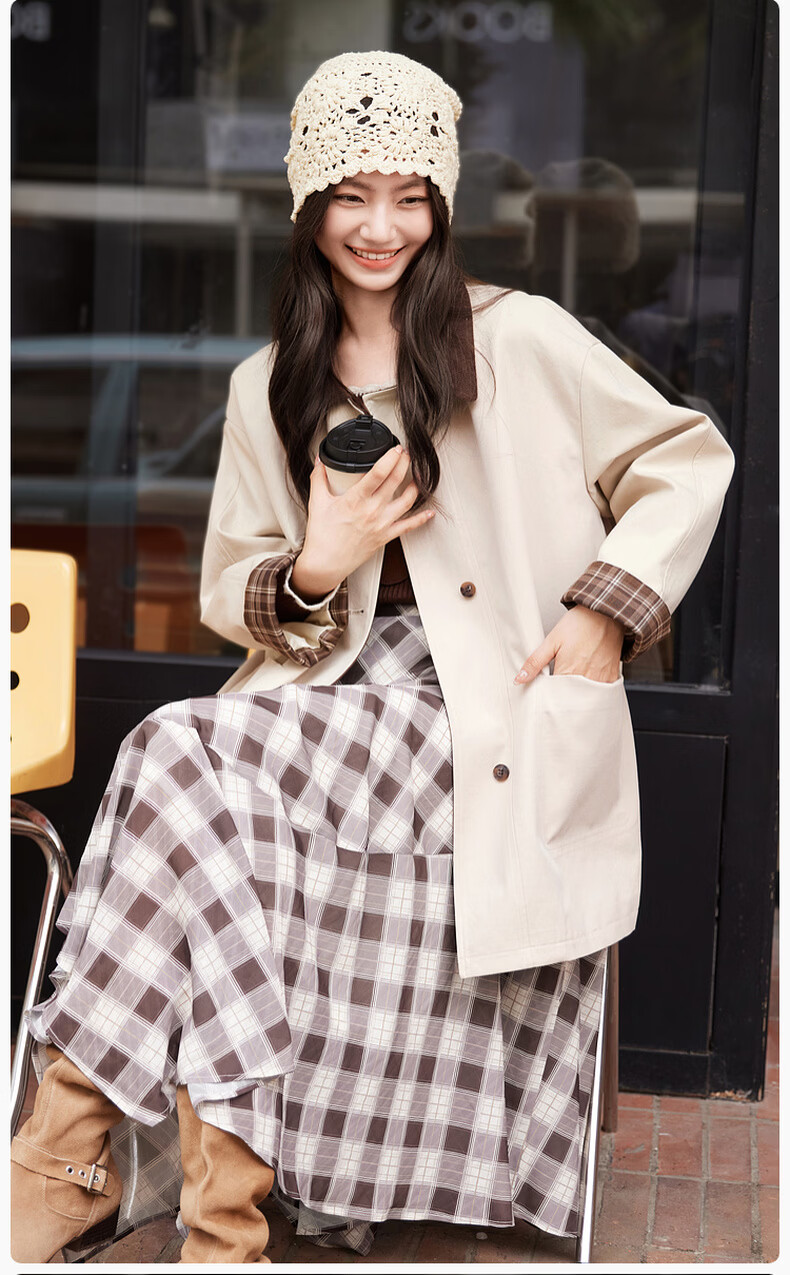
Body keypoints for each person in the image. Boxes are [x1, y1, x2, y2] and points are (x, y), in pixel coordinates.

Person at [10, 51, 735, 1264]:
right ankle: (205, 1217)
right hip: (326, 699)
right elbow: (233, 588)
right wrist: (319, 561)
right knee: (199, 802)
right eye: (351, 194)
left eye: (408, 197)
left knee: (176, 752)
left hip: (485, 708)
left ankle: (63, 1162)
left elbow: (685, 459)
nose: (380, 226)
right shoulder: (268, 384)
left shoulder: (522, 340)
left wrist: (605, 611)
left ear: (440, 207)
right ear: (309, 204)